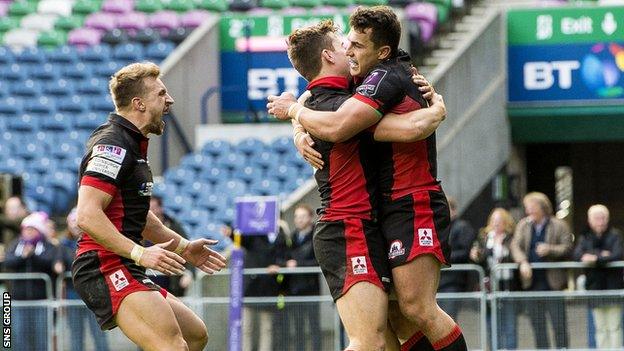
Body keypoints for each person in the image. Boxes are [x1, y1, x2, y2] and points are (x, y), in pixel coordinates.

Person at [268, 7, 467, 351]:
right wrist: (298, 124)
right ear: (330, 55)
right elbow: (392, 125)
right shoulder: (339, 103)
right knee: (377, 337)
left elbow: (312, 103)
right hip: (348, 226)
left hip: (398, 209)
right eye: (346, 43)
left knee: (404, 318)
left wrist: (296, 118)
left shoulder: (365, 88)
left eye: (356, 44)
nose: (349, 49)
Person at [71, 62, 227, 351]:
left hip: (124, 262)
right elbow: (87, 214)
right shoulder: (113, 145)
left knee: (195, 335)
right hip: (103, 264)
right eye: (161, 94)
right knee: (172, 346)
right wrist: (140, 253)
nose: (170, 100)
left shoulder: (133, 144)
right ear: (139, 103)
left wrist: (183, 247)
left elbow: (138, 217)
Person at [510, 192, 573, 349]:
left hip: (553, 284)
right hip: (531, 283)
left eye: (532, 207)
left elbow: (567, 247)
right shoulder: (523, 225)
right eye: (527, 207)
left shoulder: (559, 225)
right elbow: (515, 246)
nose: (528, 211)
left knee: (559, 325)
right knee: (538, 326)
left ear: (542, 207)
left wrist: (549, 249)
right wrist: (522, 262)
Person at [4, 212, 58, 350]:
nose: (28, 232)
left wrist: (33, 255)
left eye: (31, 229)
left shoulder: (47, 245)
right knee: (20, 338)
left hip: (41, 301)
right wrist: (23, 256)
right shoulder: (16, 244)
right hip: (18, 301)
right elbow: (8, 262)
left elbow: (50, 263)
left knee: (41, 339)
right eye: (26, 229)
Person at [58, 207, 110, 351]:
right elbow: (59, 265)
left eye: (77, 221)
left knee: (99, 332)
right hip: (72, 294)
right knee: (76, 334)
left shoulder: (97, 240)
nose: (75, 225)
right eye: (72, 221)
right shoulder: (63, 244)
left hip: (94, 293)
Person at [573, 204, 623, 349]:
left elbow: (617, 254)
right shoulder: (585, 237)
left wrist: (594, 258)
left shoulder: (615, 235)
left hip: (613, 287)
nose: (600, 221)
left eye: (603, 218)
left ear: (607, 219)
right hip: (595, 287)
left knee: (614, 326)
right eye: (596, 218)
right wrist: (602, 255)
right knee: (600, 327)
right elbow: (577, 255)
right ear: (590, 221)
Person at [469, 208, 519, 350]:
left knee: (510, 325)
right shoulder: (484, 237)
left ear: (506, 222)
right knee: (491, 325)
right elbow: (478, 259)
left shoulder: (511, 237)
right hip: (489, 286)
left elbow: (515, 255)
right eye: (494, 221)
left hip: (507, 285)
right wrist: (475, 255)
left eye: (499, 221)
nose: (496, 224)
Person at [284, 204, 321, 351]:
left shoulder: (316, 236)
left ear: (310, 218)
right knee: (298, 327)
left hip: (310, 288)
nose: (299, 220)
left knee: (313, 325)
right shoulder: (292, 237)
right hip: (295, 289)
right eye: (297, 217)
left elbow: (318, 261)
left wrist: (298, 264)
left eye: (302, 216)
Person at [438, 197, 476, 320]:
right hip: (440, 281)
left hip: (454, 281)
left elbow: (465, 252)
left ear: (453, 210)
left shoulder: (462, 227)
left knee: (448, 318)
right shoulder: (441, 228)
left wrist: (442, 257)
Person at [149, 195, 194, 297]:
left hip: (171, 281)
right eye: (149, 209)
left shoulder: (174, 225)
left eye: (154, 208)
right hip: (148, 278)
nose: (151, 212)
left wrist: (189, 273)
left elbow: (187, 248)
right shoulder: (140, 225)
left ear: (160, 208)